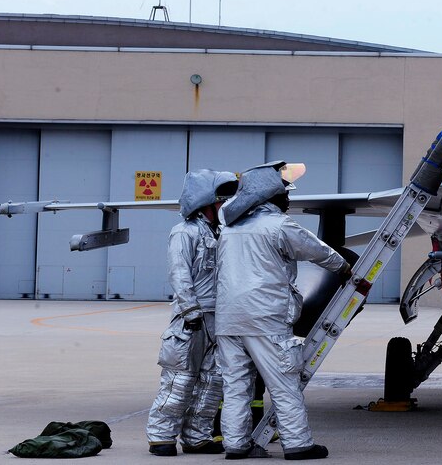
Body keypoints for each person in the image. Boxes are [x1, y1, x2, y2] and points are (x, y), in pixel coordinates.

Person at [215, 161, 353, 460]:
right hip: (265, 317)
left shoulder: (229, 230)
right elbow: (317, 250)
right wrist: (344, 267)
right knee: (284, 382)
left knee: (236, 385)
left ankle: (236, 445)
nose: (289, 200)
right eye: (285, 195)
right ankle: (298, 444)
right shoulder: (279, 225)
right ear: (270, 197)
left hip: (228, 318)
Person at [147, 169, 239, 457]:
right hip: (192, 319)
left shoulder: (222, 233)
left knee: (213, 380)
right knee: (180, 379)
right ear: (207, 203)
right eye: (221, 200)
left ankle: (197, 437)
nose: (226, 206)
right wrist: (190, 310)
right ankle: (161, 436)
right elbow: (179, 273)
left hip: (219, 317)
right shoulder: (184, 233)